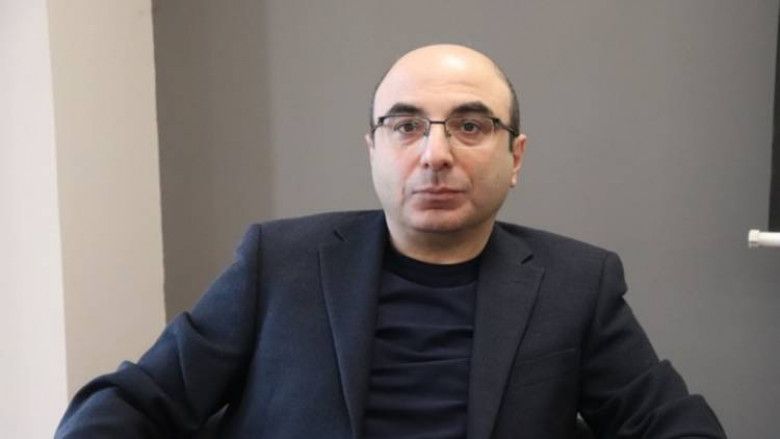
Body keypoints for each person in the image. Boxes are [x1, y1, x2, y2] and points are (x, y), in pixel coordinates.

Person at [56, 44, 727, 439]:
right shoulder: (278, 263)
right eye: (406, 127)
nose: (435, 154)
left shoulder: (576, 283)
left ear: (515, 156)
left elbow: (671, 423)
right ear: (373, 150)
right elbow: (133, 401)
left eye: (470, 126)